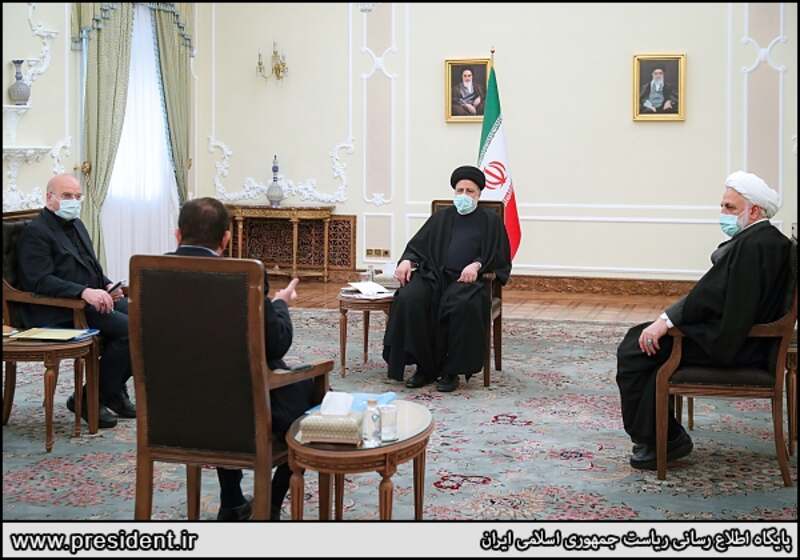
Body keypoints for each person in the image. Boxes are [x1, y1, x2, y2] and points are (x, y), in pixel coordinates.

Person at [616, 171, 791, 470]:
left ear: (755, 211)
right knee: (640, 340)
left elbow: (710, 298)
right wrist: (669, 320)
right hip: (743, 338)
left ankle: (665, 441)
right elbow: (716, 296)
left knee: (636, 349)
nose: (723, 213)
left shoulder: (754, 245)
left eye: (730, 207)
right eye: (722, 206)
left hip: (740, 346)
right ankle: (659, 436)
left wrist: (666, 323)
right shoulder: (762, 240)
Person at [169, 197, 313, 521]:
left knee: (217, 375)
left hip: (173, 411)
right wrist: (280, 303)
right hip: (239, 414)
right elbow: (276, 344)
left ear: (177, 235)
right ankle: (270, 504)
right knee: (314, 392)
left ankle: (233, 501)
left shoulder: (148, 273)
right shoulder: (243, 276)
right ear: (225, 238)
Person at [16, 173, 134, 429]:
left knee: (146, 320)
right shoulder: (36, 232)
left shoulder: (77, 224)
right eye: (67, 196)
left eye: (77, 196)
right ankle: (88, 398)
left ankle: (112, 392)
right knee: (129, 331)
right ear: (50, 197)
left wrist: (106, 285)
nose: (74, 201)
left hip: (86, 301)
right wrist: (83, 292)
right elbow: (38, 281)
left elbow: (90, 266)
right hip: (57, 309)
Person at [382, 165, 512, 392]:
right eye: (460, 190)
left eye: (469, 191)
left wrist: (477, 264)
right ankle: (424, 367)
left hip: (468, 282)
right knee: (409, 298)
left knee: (461, 305)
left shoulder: (490, 221)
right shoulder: (441, 218)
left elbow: (499, 255)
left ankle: (452, 371)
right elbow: (417, 247)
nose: (464, 195)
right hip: (434, 277)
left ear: (479, 194)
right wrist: (407, 261)